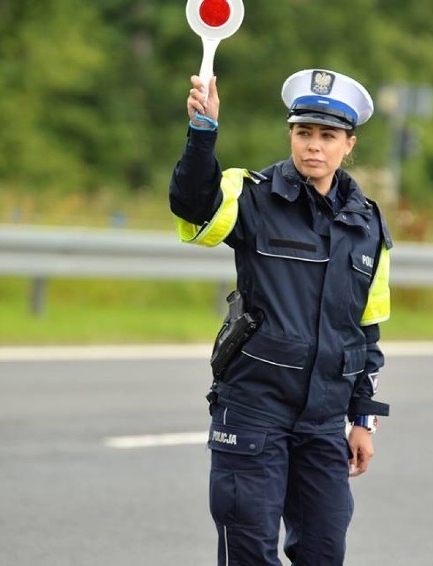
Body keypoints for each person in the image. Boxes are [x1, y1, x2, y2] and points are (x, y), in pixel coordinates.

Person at [169, 68, 393, 566]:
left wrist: (362, 419)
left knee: (323, 552)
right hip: (252, 412)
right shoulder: (251, 196)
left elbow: (365, 330)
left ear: (348, 144)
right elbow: (192, 204)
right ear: (291, 134)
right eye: (304, 132)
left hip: (322, 423)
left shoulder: (367, 224)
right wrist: (203, 134)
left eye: (327, 136)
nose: (314, 146)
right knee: (249, 556)